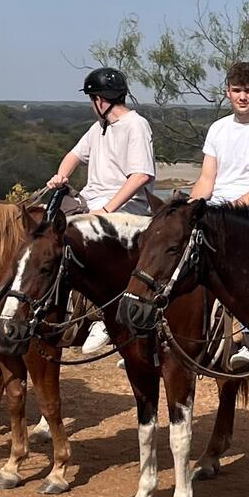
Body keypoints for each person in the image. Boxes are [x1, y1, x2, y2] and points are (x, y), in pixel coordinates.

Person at [48, 67, 156, 353]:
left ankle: (99, 317)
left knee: (85, 241)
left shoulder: (136, 125)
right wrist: (61, 176)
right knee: (44, 227)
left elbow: (141, 176)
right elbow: (73, 155)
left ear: (100, 99)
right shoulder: (99, 127)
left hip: (126, 208)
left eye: (93, 98)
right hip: (92, 202)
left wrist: (106, 209)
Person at [189, 61, 249, 369]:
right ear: (227, 93)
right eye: (236, 91)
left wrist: (227, 209)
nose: (242, 97)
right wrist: (189, 209)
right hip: (217, 212)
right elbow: (207, 179)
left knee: (244, 272)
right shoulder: (218, 129)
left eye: (248, 90)